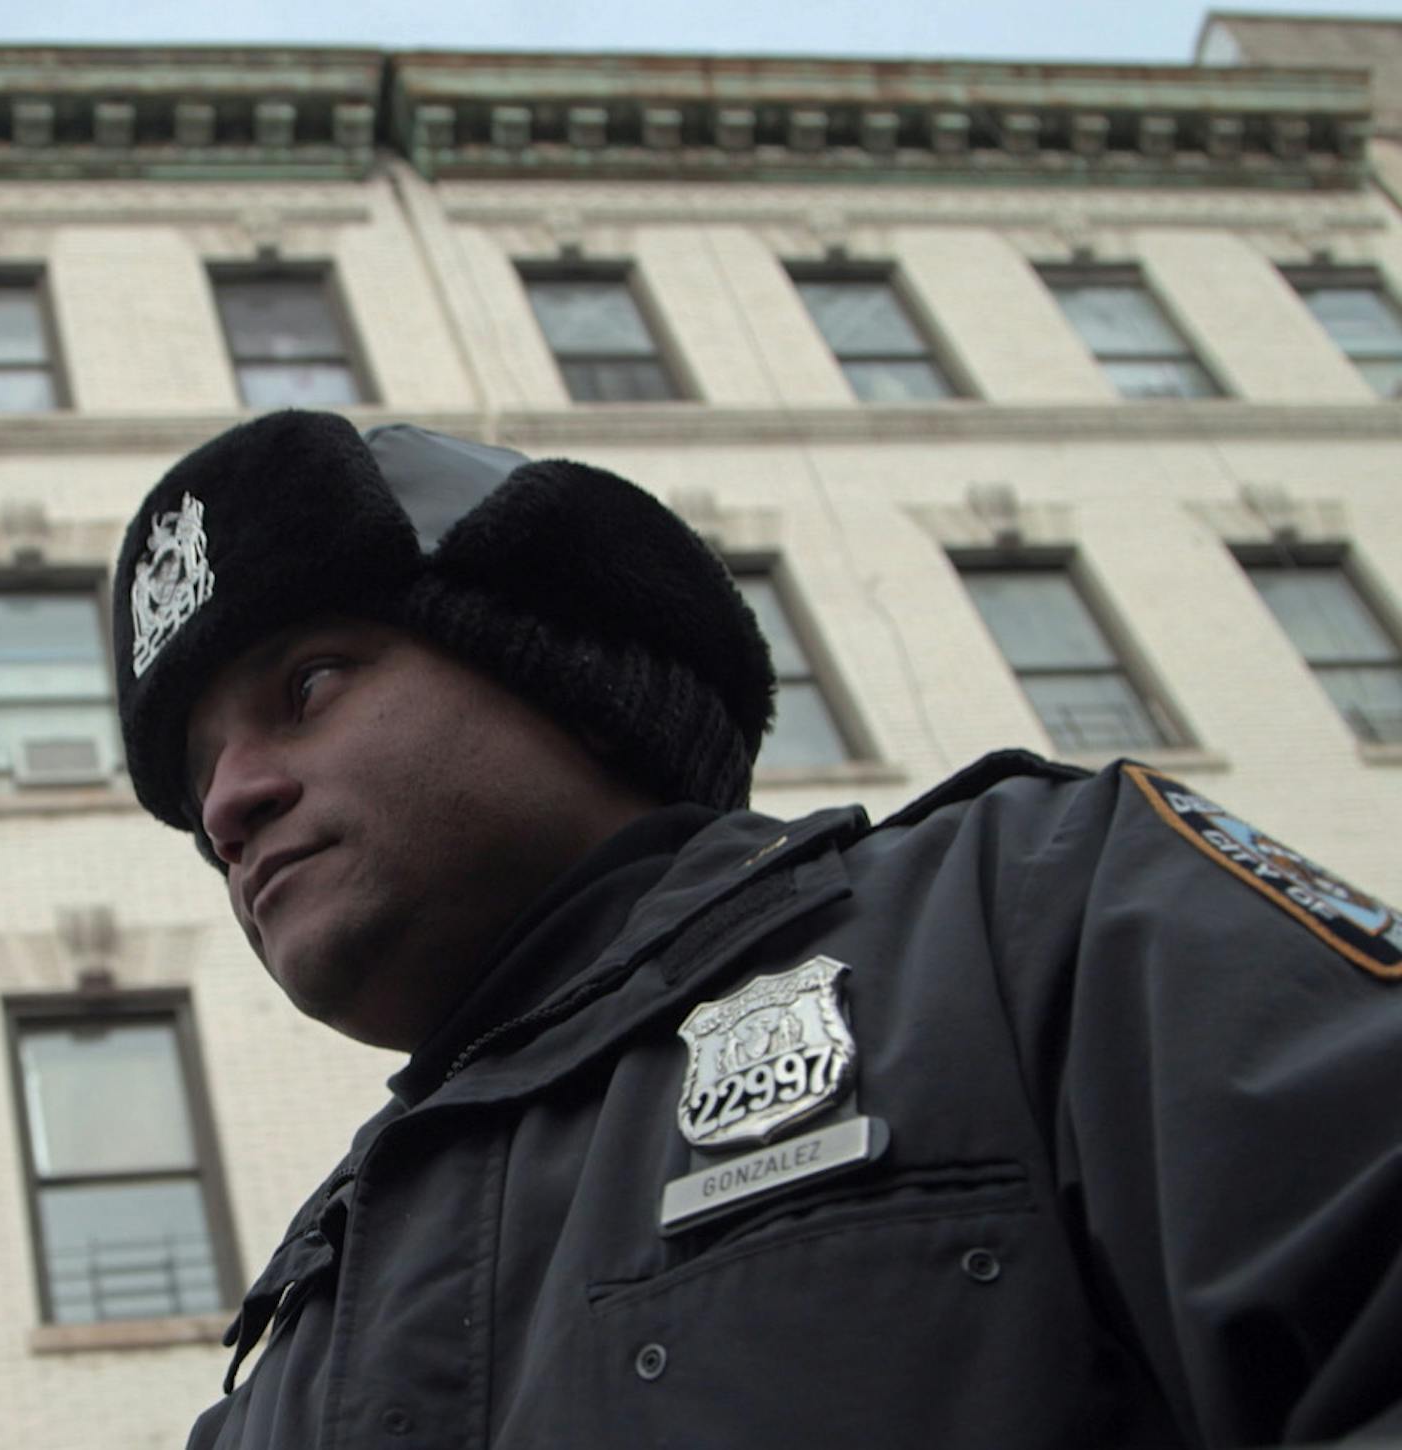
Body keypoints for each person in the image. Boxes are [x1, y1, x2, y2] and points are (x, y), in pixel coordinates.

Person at [110, 408, 1402, 1449]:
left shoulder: (1027, 908)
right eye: (200, 772)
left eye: (311, 684)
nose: (229, 801)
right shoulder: (297, 1336)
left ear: (557, 668)